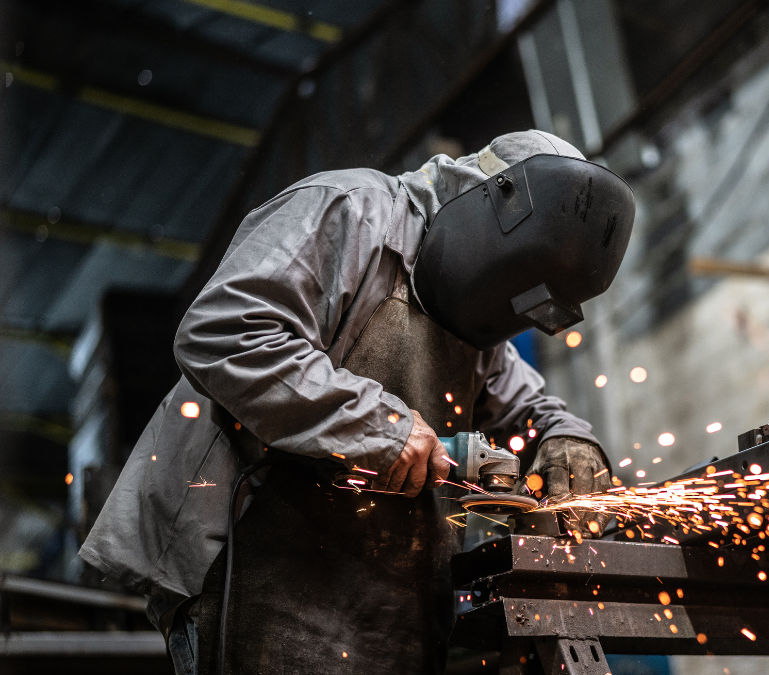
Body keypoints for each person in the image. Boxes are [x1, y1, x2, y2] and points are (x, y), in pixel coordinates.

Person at [79, 130, 635, 675]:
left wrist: (568, 440)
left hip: (396, 609)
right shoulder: (349, 211)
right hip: (262, 572)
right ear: (495, 209)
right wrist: (383, 428)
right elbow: (224, 333)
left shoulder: (476, 310)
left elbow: (532, 410)